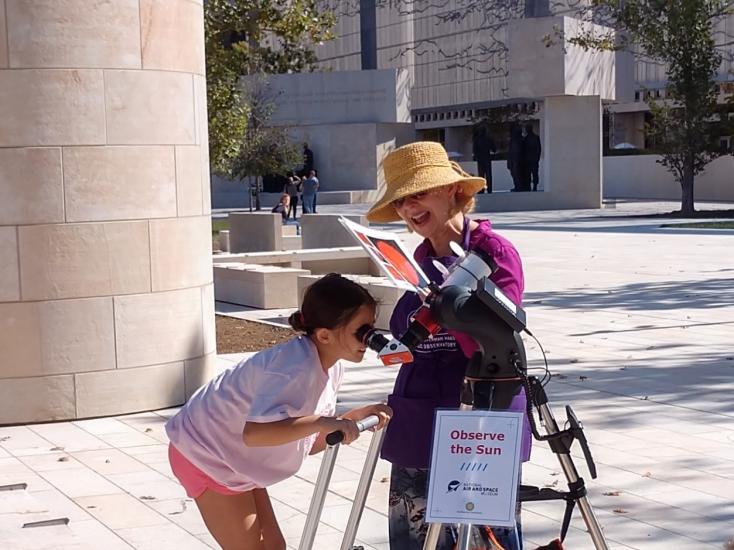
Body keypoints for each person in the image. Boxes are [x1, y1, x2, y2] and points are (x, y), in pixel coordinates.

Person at [366, 142, 530, 550]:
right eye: (401, 201)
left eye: (418, 194)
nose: (409, 208)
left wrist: (446, 306)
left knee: (486, 536)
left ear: (453, 190)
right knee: (414, 533)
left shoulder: (493, 253)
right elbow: (407, 332)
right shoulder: (415, 259)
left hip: (479, 416)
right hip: (420, 413)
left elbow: (497, 336)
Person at [165, 274, 392, 550]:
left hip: (232, 456)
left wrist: (353, 418)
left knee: (273, 546)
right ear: (324, 335)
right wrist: (323, 422)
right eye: (362, 330)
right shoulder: (293, 368)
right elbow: (256, 433)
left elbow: (305, 442)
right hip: (203, 452)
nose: (370, 339)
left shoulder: (330, 366)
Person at [472, 125, 497, 193]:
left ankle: (482, 189)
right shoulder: (489, 139)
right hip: (487, 158)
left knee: (481, 174)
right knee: (488, 175)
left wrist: (476, 157)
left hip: (480, 159)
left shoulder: (477, 139)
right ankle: (489, 189)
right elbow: (494, 149)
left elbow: (474, 150)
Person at [524, 123, 542, 191]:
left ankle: (534, 186)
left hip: (532, 159)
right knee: (530, 173)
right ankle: (531, 186)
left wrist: (537, 158)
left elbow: (538, 149)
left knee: (533, 173)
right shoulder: (526, 138)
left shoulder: (532, 138)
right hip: (530, 159)